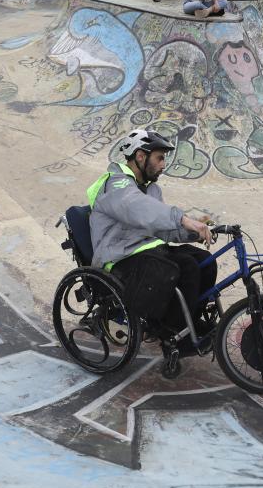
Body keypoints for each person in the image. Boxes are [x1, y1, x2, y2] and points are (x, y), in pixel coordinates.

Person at [87, 130, 217, 351]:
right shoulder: (116, 184)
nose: (163, 164)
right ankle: (173, 334)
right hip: (119, 256)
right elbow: (136, 207)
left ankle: (191, 323)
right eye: (160, 157)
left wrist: (196, 232)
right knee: (185, 267)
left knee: (204, 260)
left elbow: (162, 229)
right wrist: (183, 218)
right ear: (140, 156)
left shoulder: (151, 189)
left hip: (149, 251)